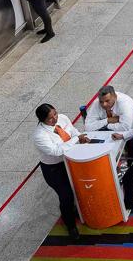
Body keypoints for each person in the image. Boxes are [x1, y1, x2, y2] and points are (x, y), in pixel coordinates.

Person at [31, 103, 85, 240]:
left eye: (55, 113)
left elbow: (73, 131)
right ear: (42, 120)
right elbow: (56, 151)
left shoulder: (63, 118)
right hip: (54, 169)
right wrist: (76, 140)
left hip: (70, 161)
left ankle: (75, 209)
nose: (55, 118)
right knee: (65, 195)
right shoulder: (39, 135)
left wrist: (81, 137)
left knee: (77, 188)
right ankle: (70, 225)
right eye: (50, 118)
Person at [84, 85, 133, 160]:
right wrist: (107, 120)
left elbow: (125, 127)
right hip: (111, 129)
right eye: (101, 102)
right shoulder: (96, 103)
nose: (104, 104)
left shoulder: (125, 103)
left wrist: (106, 126)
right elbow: (87, 127)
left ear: (115, 96)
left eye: (107, 101)